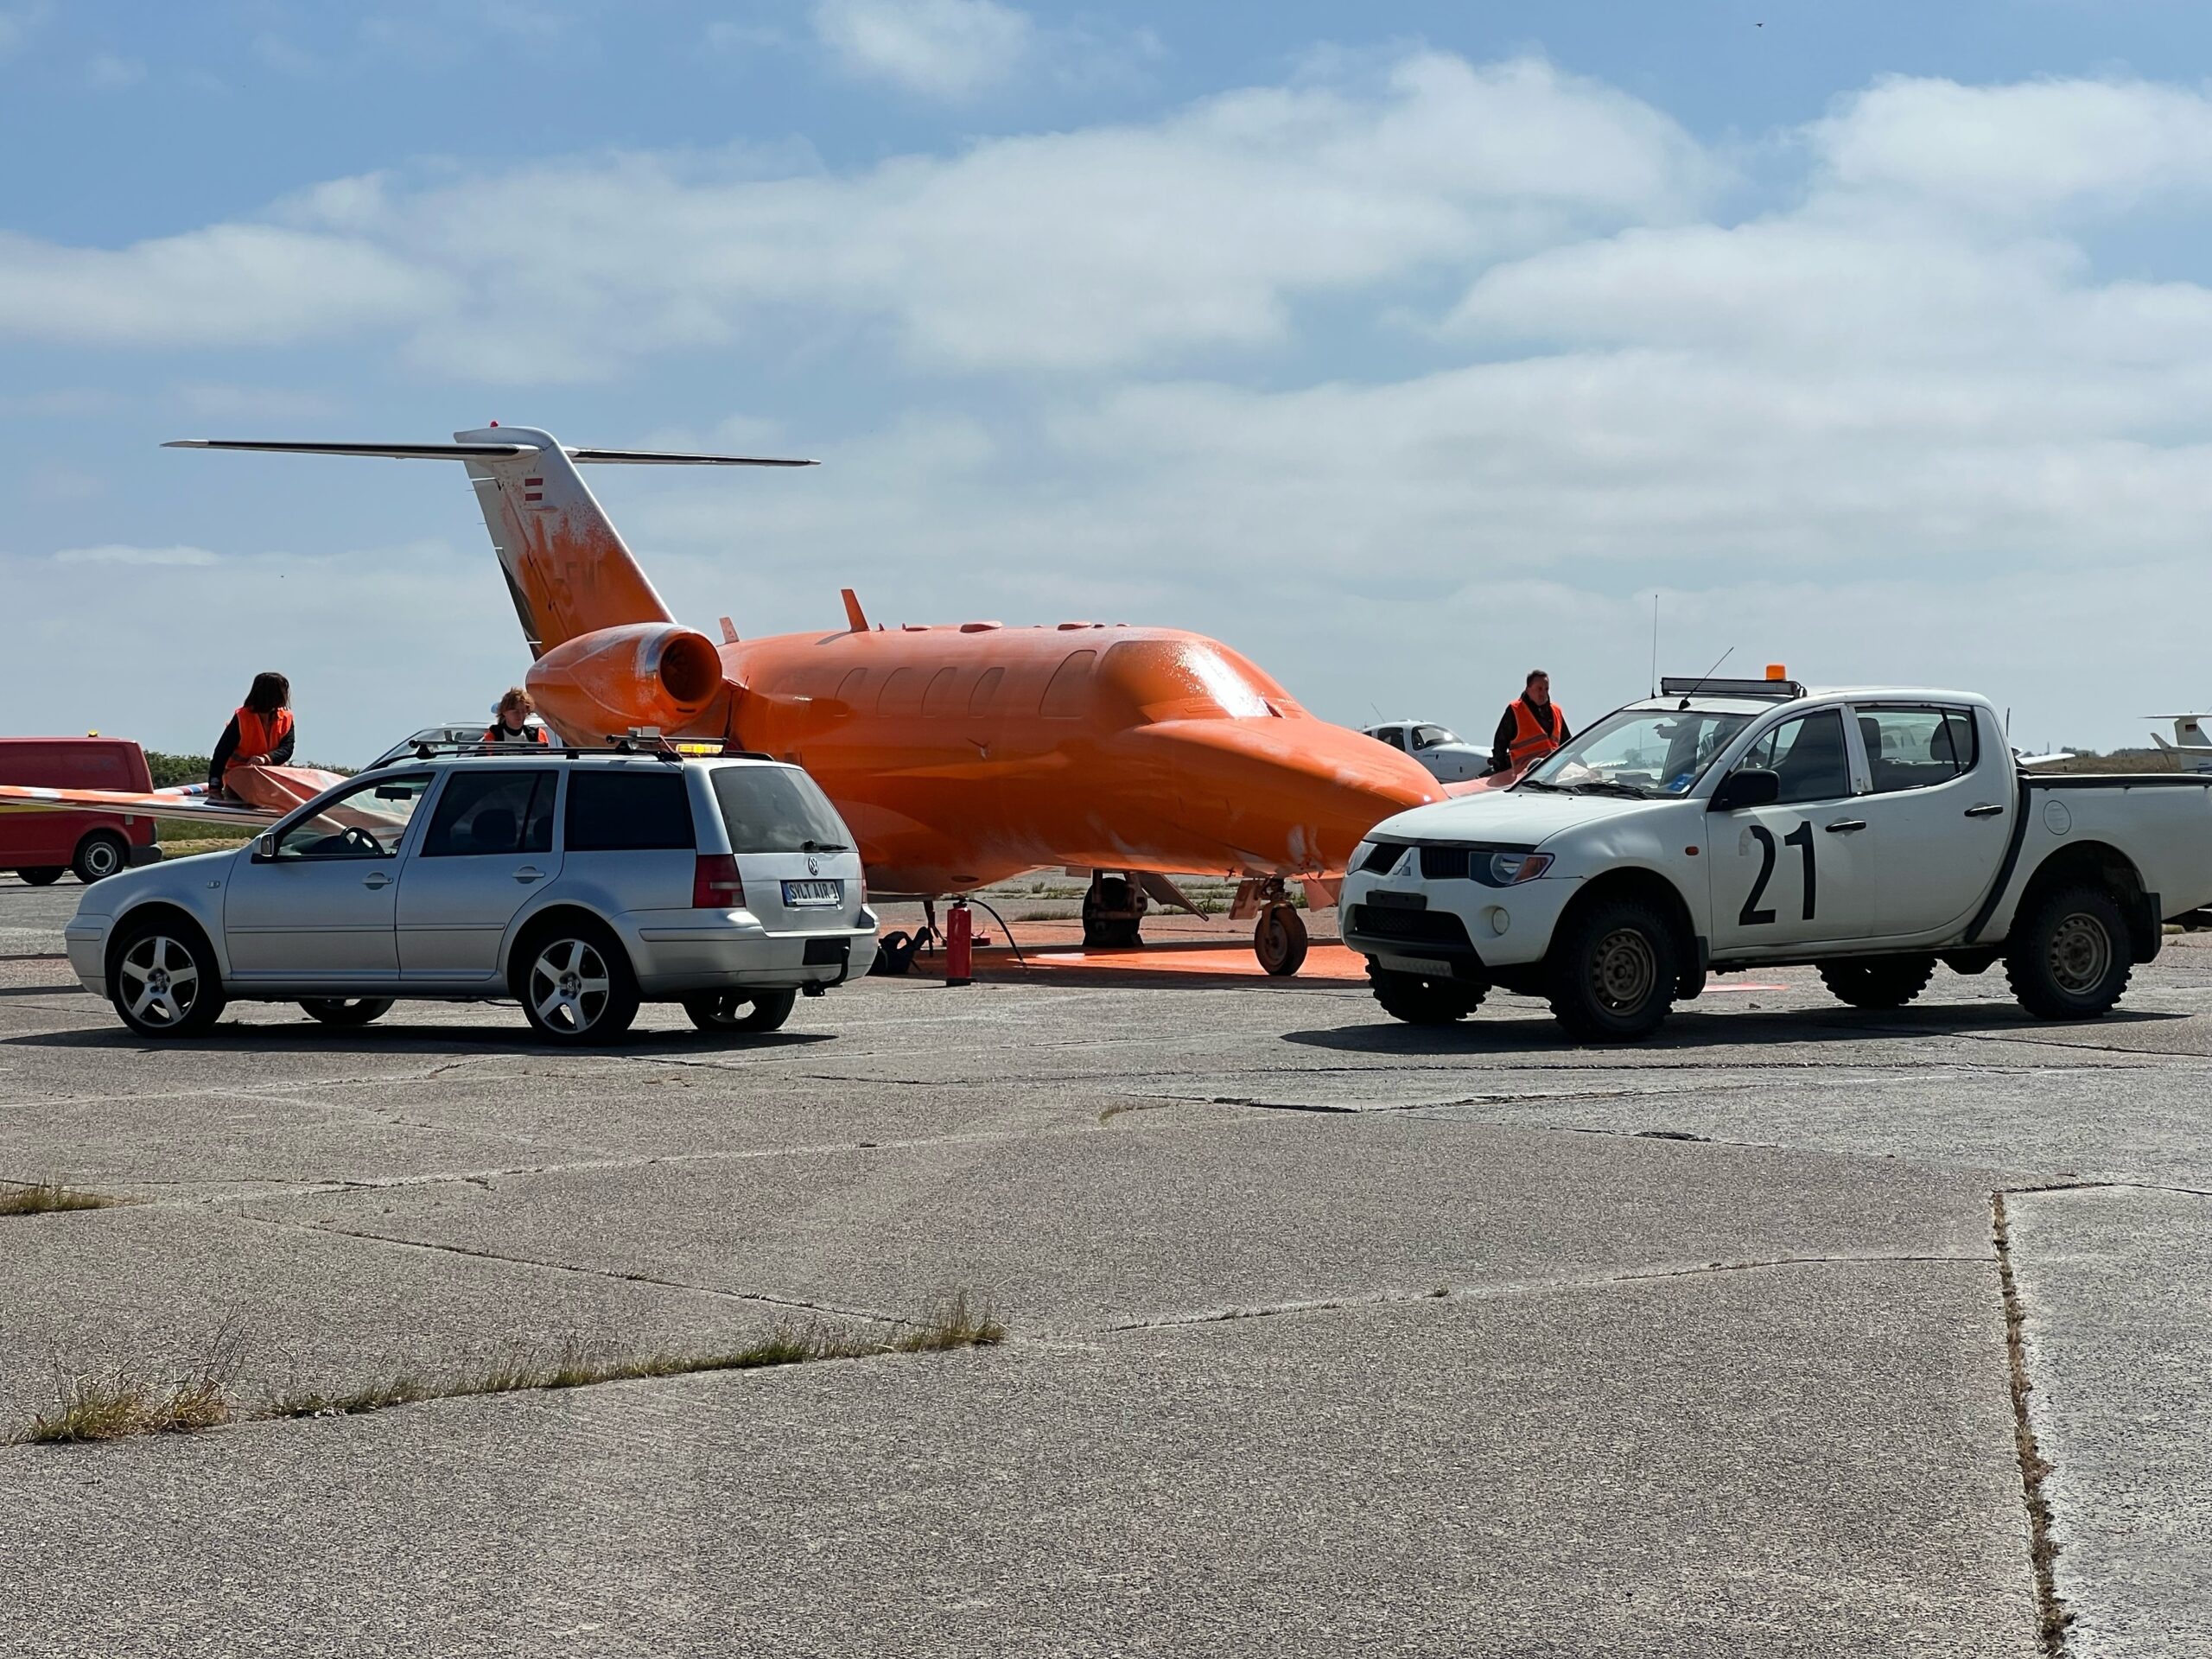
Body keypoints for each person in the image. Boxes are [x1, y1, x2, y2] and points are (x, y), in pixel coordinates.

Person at [207, 671, 296, 795]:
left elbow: (287, 749)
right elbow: (221, 755)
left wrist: (265, 759)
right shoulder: (242, 718)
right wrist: (214, 787)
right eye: (282, 691)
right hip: (241, 778)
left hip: (272, 778)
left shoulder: (287, 717)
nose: (286, 696)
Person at [1490, 668, 1570, 775]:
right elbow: (1500, 743)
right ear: (1528, 689)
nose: (1543, 693)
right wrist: (1500, 771)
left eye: (1546, 689)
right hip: (1524, 778)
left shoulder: (1556, 711)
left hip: (1552, 777)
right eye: (1539, 689)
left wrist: (1584, 766)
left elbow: (1569, 745)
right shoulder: (1516, 710)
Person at [483, 686, 550, 744]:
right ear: (504, 712)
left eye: (523, 711)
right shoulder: (493, 735)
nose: (520, 715)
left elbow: (545, 757)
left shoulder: (537, 734)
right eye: (516, 711)